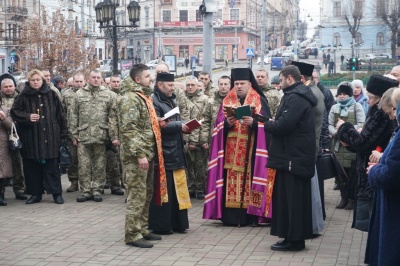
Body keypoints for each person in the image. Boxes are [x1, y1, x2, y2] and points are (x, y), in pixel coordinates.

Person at [203, 68, 272, 226]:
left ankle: (252, 216)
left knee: (251, 183)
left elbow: (267, 125)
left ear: (249, 84)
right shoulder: (227, 100)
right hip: (230, 153)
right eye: (236, 84)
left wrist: (253, 123)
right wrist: (226, 124)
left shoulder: (259, 100)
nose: (239, 86)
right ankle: (230, 217)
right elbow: (217, 126)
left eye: (242, 83)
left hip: (252, 152)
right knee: (230, 183)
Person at [264, 65, 317, 251]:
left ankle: (295, 240)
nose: (279, 84)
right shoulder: (295, 95)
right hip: (291, 156)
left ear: (289, 79)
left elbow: (284, 125)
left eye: (280, 80)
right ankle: (289, 236)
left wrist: (266, 124)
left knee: (294, 201)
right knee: (288, 200)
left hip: (293, 158)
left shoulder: (296, 97)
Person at [337, 75, 398, 231]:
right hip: (370, 170)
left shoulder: (380, 115)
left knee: (374, 224)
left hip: (373, 172)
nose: (367, 101)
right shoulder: (377, 111)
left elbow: (363, 143)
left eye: (371, 98)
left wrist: (345, 128)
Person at [118, 64, 165, 248]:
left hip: (147, 152)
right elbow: (130, 130)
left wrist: (158, 122)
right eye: (147, 76)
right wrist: (140, 154)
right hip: (137, 156)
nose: (151, 79)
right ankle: (132, 234)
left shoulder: (143, 97)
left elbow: (143, 124)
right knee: (136, 195)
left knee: (146, 194)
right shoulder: (130, 98)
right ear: (138, 80)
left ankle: (142, 228)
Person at [11, 69, 68, 204]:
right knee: (32, 168)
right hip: (31, 137)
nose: (36, 82)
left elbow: (61, 115)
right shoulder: (23, 96)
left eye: (38, 80)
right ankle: (35, 194)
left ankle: (56, 193)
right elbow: (14, 112)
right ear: (29, 82)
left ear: (42, 80)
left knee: (52, 167)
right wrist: (27, 116)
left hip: (50, 136)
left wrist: (64, 134)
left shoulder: (51, 94)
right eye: (33, 80)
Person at [148, 72, 192, 234]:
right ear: (160, 85)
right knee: (164, 191)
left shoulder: (171, 99)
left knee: (176, 189)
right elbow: (157, 124)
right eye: (170, 85)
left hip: (175, 149)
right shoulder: (154, 100)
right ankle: (161, 225)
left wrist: (183, 126)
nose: (173, 88)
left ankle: (177, 223)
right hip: (163, 152)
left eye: (173, 85)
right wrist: (180, 126)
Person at [70, 70, 119, 203]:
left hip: (101, 135)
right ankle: (85, 191)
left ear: (102, 79)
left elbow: (113, 117)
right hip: (83, 135)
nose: (96, 80)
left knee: (100, 165)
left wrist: (113, 136)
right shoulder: (79, 94)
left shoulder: (109, 95)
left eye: (98, 77)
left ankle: (97, 189)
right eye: (93, 77)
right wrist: (73, 134)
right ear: (88, 79)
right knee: (84, 165)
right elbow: (73, 115)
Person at [364, 87, 400, 266]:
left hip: (393, 207)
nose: (393, 116)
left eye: (394, 109)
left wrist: (375, 171)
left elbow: (391, 174)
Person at [291, 61, 325, 233]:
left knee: (310, 191)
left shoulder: (309, 94)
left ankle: (310, 226)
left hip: (307, 147)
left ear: (301, 78)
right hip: (310, 145)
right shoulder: (313, 91)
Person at [328, 81, 365, 210]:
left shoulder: (357, 106)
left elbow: (361, 124)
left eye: (345, 94)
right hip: (338, 145)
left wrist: (346, 133)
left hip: (352, 145)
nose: (342, 96)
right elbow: (330, 125)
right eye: (340, 94)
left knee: (352, 174)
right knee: (340, 174)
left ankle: (351, 199)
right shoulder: (334, 107)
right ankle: (343, 197)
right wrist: (338, 134)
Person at [0, 74, 27, 200]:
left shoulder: (21, 98)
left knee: (18, 162)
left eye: (11, 86)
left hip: (18, 133)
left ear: (15, 86)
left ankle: (19, 188)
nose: (8, 89)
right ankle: (2, 190)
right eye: (6, 87)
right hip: (2, 135)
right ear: (1, 88)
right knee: (3, 163)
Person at [184, 76, 209, 199]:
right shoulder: (182, 99)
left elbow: (204, 120)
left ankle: (200, 188)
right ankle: (191, 187)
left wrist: (198, 139)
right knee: (188, 165)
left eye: (192, 85)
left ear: (197, 85)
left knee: (200, 165)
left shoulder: (204, 99)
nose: (190, 87)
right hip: (185, 137)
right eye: (188, 85)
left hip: (199, 138)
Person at [61, 73, 85, 193]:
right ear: (73, 82)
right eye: (77, 81)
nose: (79, 84)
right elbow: (63, 114)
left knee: (85, 160)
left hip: (86, 132)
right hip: (72, 132)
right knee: (73, 159)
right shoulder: (66, 95)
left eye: (81, 81)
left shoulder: (88, 93)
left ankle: (87, 183)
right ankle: (74, 182)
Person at [104, 75, 124, 195]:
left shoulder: (124, 95)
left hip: (122, 133)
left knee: (121, 162)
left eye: (118, 82)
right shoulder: (107, 95)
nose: (116, 84)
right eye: (114, 82)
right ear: (109, 83)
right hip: (109, 133)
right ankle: (112, 183)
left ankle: (118, 184)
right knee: (111, 162)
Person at [0, 92, 13, 206]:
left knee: (2, 172)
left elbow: (11, 126)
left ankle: (1, 195)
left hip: (2, 144)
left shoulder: (4, 109)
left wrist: (3, 118)